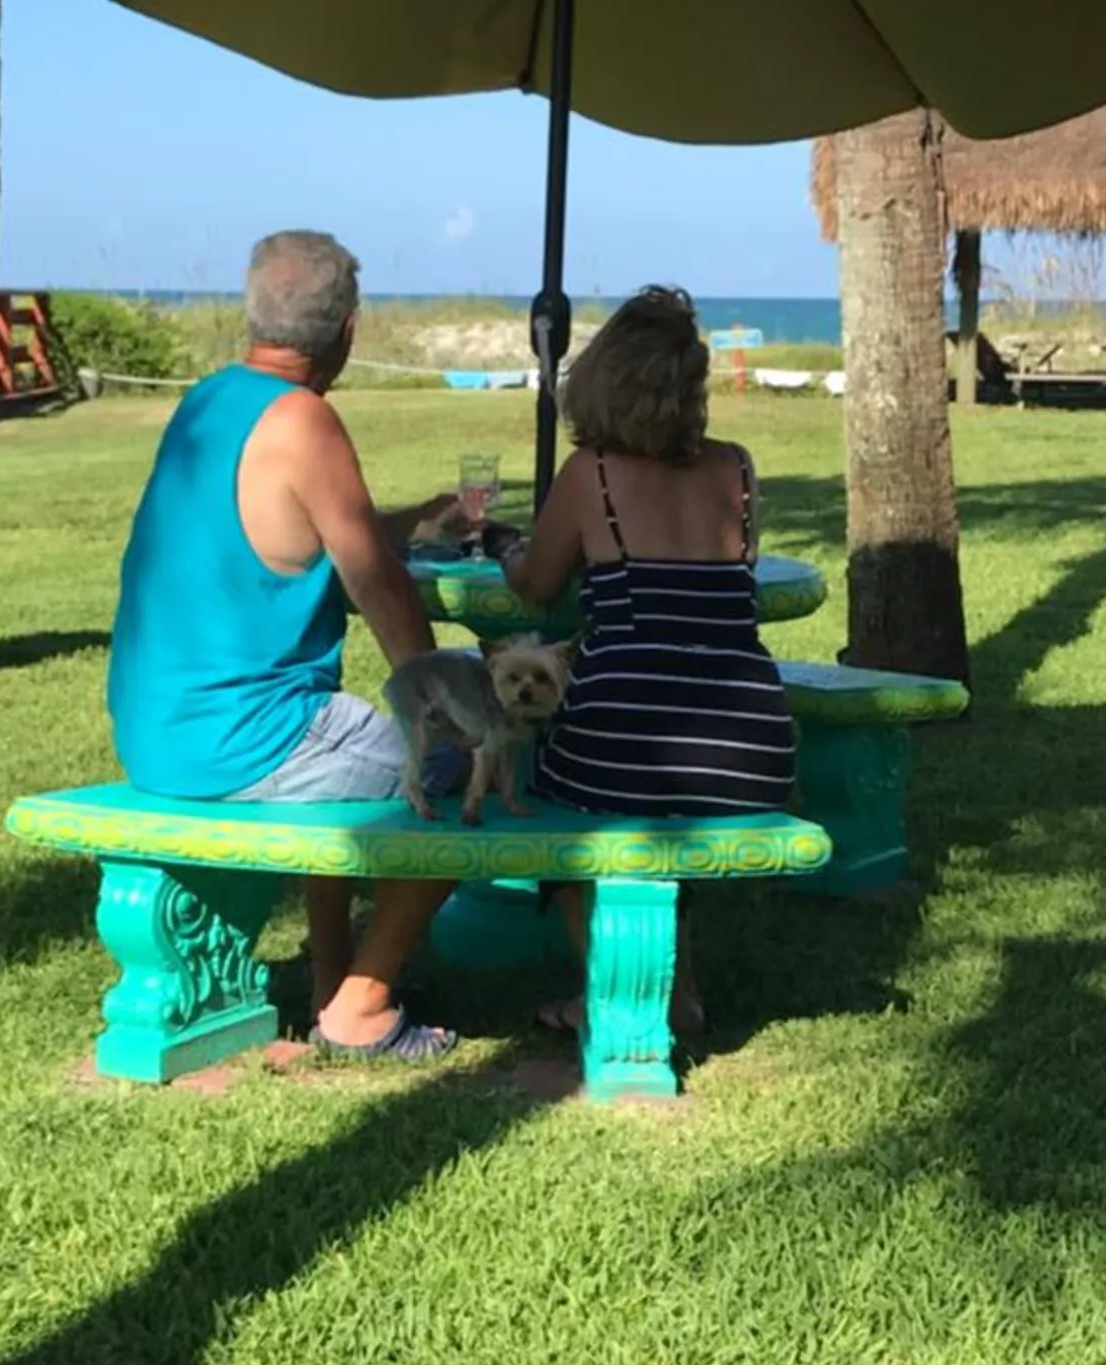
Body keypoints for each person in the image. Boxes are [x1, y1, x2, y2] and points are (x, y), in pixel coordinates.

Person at [107, 229, 468, 1061]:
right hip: (250, 741)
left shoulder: (209, 402)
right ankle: (360, 1008)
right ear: (348, 329)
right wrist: (445, 711)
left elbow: (295, 533)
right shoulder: (306, 419)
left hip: (157, 734)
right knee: (477, 765)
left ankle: (331, 972)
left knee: (345, 732)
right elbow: (379, 585)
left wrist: (414, 522)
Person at [502, 286, 796, 1037]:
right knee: (660, 814)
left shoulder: (592, 473)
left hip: (628, 728)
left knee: (559, 807)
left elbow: (536, 587)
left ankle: (620, 995)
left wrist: (507, 550)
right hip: (751, 738)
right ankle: (679, 993)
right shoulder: (738, 468)